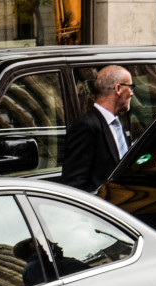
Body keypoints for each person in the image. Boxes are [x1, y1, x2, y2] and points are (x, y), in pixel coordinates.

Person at [59, 65, 134, 193]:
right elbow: (74, 185)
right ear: (118, 88)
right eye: (130, 87)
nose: (132, 93)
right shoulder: (85, 127)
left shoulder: (117, 124)